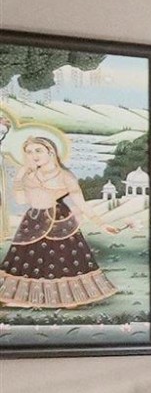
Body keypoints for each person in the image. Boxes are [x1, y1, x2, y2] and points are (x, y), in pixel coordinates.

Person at [0, 124, 118, 311]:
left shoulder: (65, 176)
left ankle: (66, 297)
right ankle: (24, 297)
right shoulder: (30, 175)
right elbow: (22, 200)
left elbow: (81, 203)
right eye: (29, 152)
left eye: (38, 150)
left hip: (59, 222)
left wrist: (102, 224)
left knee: (61, 262)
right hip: (33, 221)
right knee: (28, 262)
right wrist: (20, 176)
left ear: (51, 152)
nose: (33, 155)